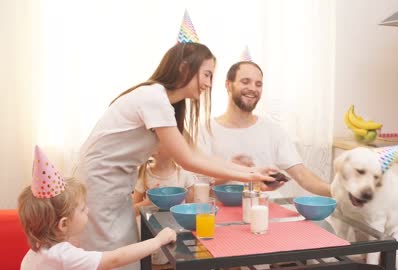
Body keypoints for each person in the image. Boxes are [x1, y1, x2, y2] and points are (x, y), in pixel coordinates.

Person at [74, 43, 274, 270]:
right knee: (112, 259)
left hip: (115, 187)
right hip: (99, 187)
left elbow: (197, 154)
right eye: (207, 75)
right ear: (184, 68)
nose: (209, 84)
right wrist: (249, 175)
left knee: (128, 256)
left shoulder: (165, 105)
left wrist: (252, 173)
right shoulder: (153, 98)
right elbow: (188, 160)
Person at [18, 146, 177, 270]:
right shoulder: (64, 256)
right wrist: (158, 241)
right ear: (63, 224)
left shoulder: (38, 250)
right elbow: (115, 259)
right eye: (82, 209)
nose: (88, 210)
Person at [198, 61, 331, 198]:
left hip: (264, 210)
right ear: (228, 85)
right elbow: (198, 187)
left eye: (258, 84)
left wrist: (339, 192)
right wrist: (233, 170)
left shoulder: (273, 130)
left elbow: (302, 175)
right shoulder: (205, 131)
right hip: (219, 213)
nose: (253, 88)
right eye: (245, 82)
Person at [133, 148, 195, 217]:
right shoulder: (144, 175)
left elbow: (191, 209)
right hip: (153, 225)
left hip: (179, 225)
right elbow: (132, 212)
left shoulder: (185, 175)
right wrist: (147, 202)